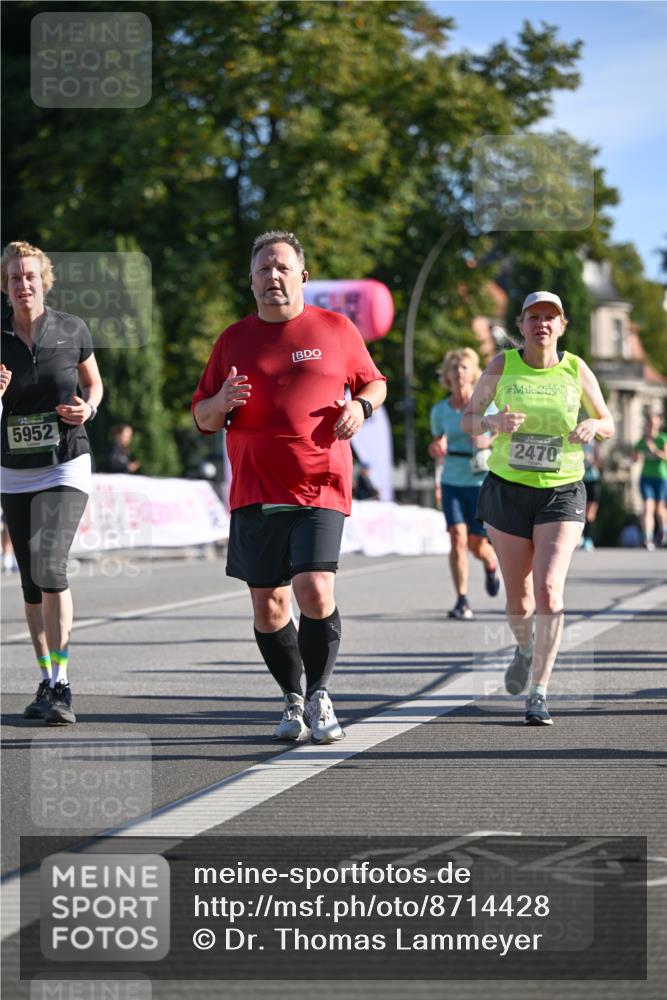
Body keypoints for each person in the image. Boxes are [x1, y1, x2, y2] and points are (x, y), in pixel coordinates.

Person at [192, 230, 386, 744]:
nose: (273, 276)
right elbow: (202, 416)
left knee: (314, 587)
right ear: (251, 280)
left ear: (303, 276)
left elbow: (375, 381)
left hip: (320, 481)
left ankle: (320, 694)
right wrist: (221, 402)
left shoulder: (336, 328)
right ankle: (292, 697)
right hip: (255, 489)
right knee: (269, 607)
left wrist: (360, 405)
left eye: (282, 267)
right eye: (263, 269)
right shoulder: (232, 340)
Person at [462, 291, 614, 725]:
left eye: (550, 317)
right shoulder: (502, 365)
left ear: (561, 326)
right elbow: (468, 419)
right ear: (522, 324)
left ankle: (539, 691)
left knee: (548, 589)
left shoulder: (575, 368)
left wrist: (593, 424)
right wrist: (492, 422)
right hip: (508, 489)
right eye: (534, 317)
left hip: (562, 490)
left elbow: (608, 422)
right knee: (519, 599)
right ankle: (525, 648)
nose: (542, 324)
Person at [1, 240, 103, 725]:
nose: (23, 284)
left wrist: (89, 408)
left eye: (30, 276)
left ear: (44, 280)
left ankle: (63, 683)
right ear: (5, 286)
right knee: (30, 583)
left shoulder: (72, 328)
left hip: (66, 462)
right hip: (13, 469)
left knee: (49, 565)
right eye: (14, 278)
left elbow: (94, 383)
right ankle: (46, 679)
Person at [429, 347, 500, 620]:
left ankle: (490, 561)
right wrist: (436, 450)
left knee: (476, 545)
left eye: (464, 367)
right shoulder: (439, 411)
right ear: (447, 375)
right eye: (454, 368)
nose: (459, 372)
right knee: (457, 538)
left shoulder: (486, 405)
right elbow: (437, 444)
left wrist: (487, 440)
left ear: (473, 374)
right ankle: (462, 599)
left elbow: (503, 432)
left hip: (481, 481)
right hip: (452, 480)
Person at [633, 411, 667, 550]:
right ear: (646, 425)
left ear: (658, 424)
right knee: (648, 507)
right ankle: (647, 538)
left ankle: (664, 532)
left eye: (654, 423)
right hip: (646, 478)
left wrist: (655, 451)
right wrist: (638, 455)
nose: (652, 426)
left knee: (659, 509)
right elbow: (634, 459)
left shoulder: (662, 439)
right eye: (650, 423)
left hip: (661, 477)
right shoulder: (642, 441)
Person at [581, 439, 603, 550]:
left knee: (591, 512)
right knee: (580, 510)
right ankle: (579, 537)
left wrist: (593, 460)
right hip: (580, 480)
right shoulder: (577, 442)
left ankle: (587, 538)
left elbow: (600, 464)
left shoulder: (594, 444)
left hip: (593, 480)